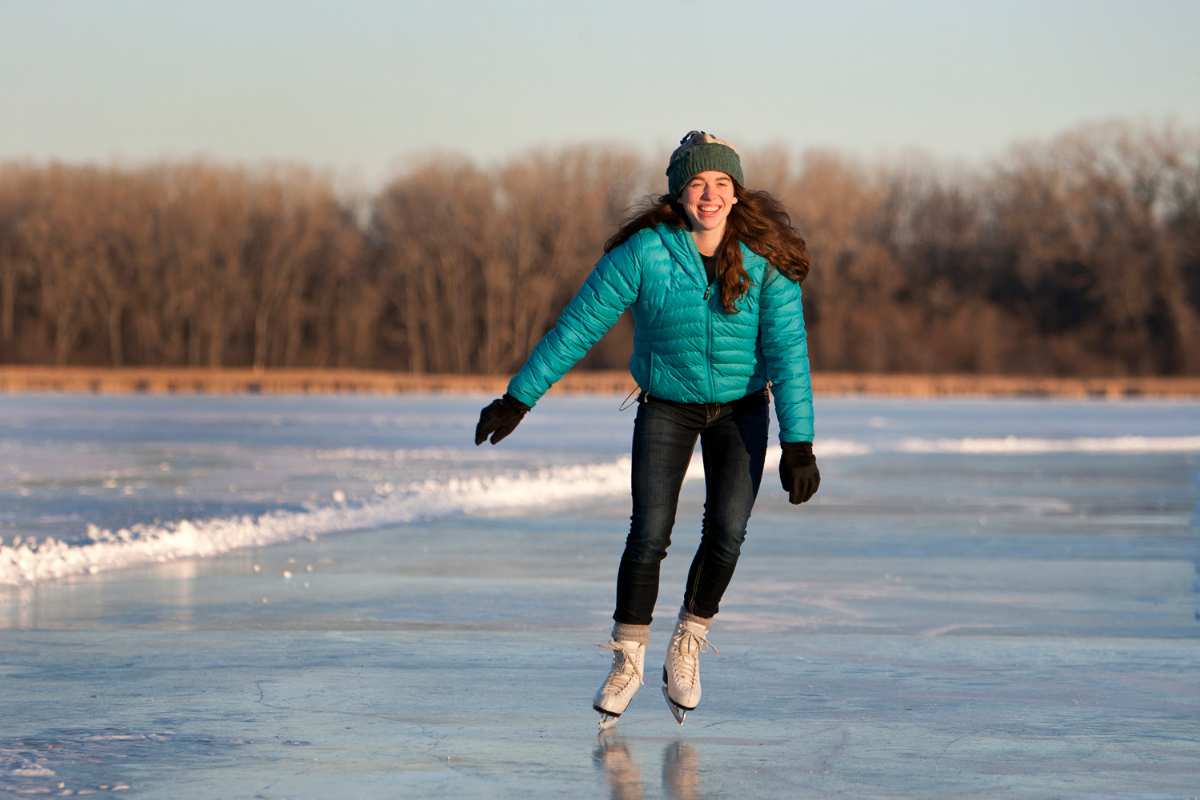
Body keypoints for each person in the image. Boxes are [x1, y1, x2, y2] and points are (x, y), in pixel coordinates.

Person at [474, 131, 819, 728]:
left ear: (735, 193)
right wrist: (517, 397)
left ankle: (688, 640)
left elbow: (788, 353)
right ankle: (628, 657)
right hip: (666, 405)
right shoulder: (644, 253)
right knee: (649, 532)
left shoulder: (766, 264)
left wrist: (799, 442)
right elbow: (578, 327)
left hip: (741, 408)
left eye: (720, 184)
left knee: (729, 531)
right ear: (678, 192)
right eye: (697, 183)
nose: (709, 195)